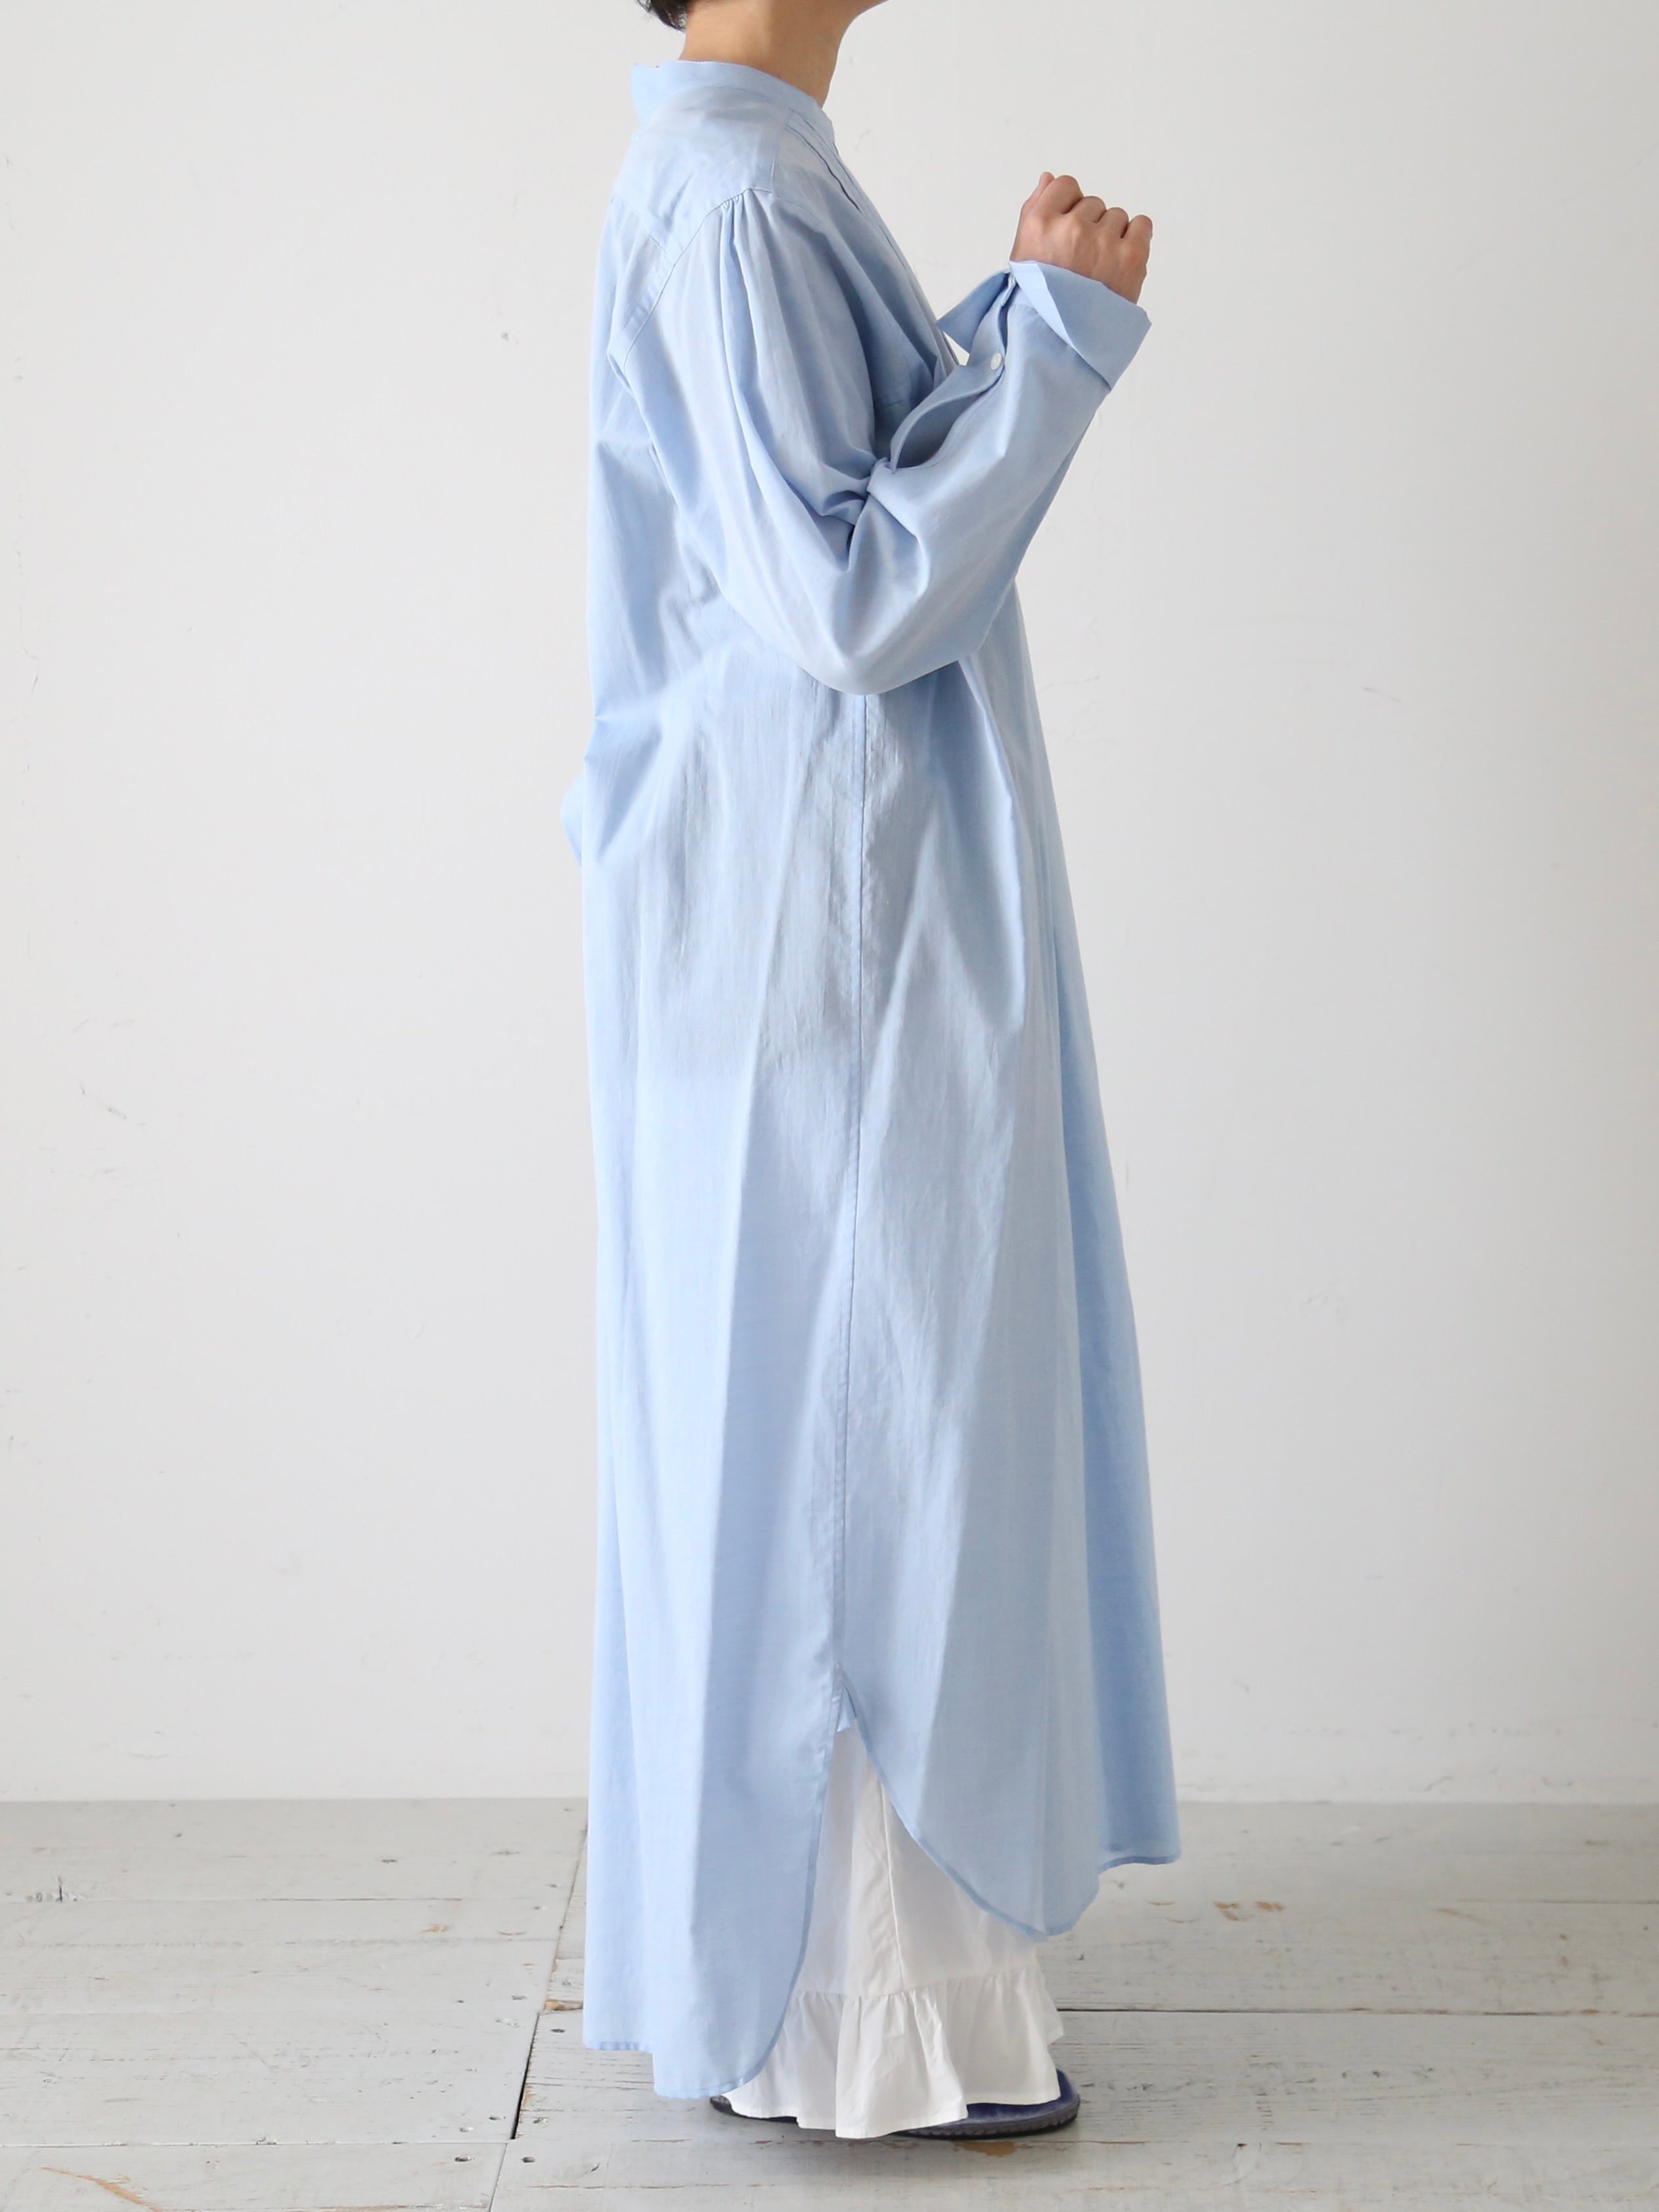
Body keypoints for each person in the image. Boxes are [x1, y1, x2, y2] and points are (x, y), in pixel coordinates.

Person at [561, 0, 1180, 2141]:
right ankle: (873, 2027)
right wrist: (1056, 354)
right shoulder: (738, 190)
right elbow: (843, 601)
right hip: (825, 929)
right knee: (871, 1433)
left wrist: (1011, 317)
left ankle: (844, 2009)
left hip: (812, 910)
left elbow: (836, 497)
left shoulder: (753, 164)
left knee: (849, 1417)